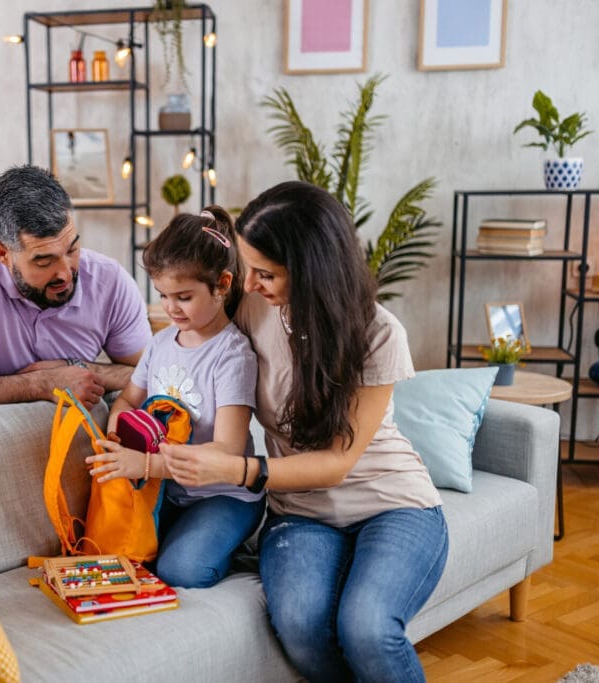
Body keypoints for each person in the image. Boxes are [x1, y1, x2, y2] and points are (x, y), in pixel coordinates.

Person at [159, 182, 448, 682]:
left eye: (266, 273)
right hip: (301, 516)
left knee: (368, 627)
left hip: (392, 504)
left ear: (314, 272)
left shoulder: (379, 334)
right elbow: (175, 325)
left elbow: (336, 465)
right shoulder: (254, 306)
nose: (250, 284)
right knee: (299, 623)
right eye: (248, 269)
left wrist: (232, 468)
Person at [86, 206, 264, 589]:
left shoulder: (232, 355)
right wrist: (117, 436)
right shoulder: (160, 343)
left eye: (183, 297)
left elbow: (229, 451)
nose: (170, 308)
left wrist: (145, 465)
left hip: (224, 495)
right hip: (170, 490)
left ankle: (244, 546)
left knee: (181, 571)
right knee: (120, 552)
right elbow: (128, 401)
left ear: (222, 284)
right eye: (163, 295)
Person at [0, 165, 151, 409]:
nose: (65, 273)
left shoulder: (110, 281)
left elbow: (156, 375)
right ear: (2, 253)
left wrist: (79, 369)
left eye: (72, 250)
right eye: (44, 261)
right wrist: (41, 383)